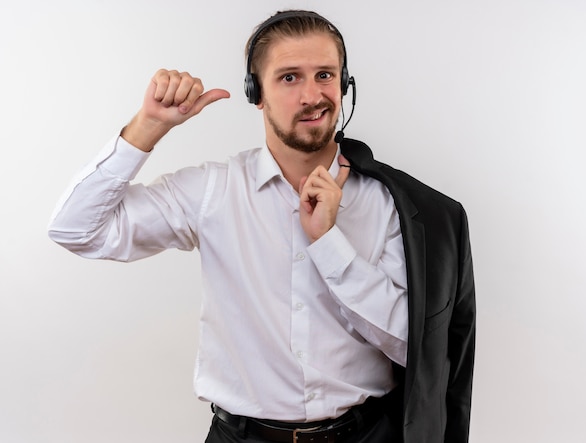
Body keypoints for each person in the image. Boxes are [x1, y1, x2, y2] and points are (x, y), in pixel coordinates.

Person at [48, 10, 475, 443]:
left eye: (325, 75)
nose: (313, 95)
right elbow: (76, 229)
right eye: (289, 78)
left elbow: (415, 347)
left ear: (345, 86)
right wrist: (149, 127)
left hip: (367, 436)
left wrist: (329, 243)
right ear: (258, 94)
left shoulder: (392, 204)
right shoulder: (214, 190)